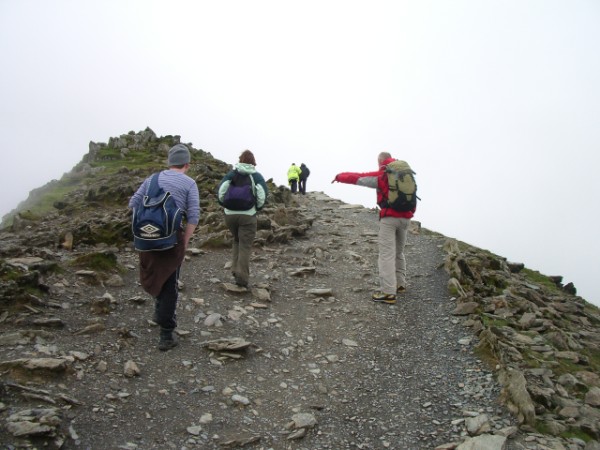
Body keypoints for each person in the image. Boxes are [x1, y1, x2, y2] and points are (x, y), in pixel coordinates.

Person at [129, 143, 200, 350]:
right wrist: (184, 242)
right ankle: (166, 334)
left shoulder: (151, 179)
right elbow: (194, 215)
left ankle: (159, 312)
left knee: (153, 273)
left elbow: (133, 204)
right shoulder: (189, 183)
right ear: (187, 164)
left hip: (146, 238)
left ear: (169, 163)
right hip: (171, 240)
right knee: (170, 282)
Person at [332, 151, 415, 305]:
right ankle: (400, 284)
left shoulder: (383, 174)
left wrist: (339, 177)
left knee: (386, 254)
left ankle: (388, 292)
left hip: (389, 218)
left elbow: (358, 178)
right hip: (406, 218)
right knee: (399, 252)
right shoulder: (404, 172)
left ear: (380, 161)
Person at [218, 150, 268, 288]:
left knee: (236, 240)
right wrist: (257, 208)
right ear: (253, 162)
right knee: (245, 245)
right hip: (247, 215)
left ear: (240, 160)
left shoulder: (232, 174)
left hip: (230, 215)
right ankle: (242, 278)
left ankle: (235, 270)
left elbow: (221, 191)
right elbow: (262, 195)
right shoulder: (256, 176)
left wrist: (225, 206)